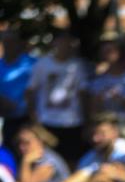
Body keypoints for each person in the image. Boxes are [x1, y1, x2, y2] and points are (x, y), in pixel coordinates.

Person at [25, 29, 88, 166]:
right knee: (47, 160)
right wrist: (34, 117)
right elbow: (30, 91)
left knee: (72, 160)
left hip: (73, 122)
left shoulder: (78, 66)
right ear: (54, 43)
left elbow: (83, 94)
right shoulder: (42, 64)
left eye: (68, 42)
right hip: (47, 121)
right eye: (61, 42)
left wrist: (86, 119)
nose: (64, 45)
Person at [84, 36, 125, 125]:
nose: (108, 54)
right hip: (104, 124)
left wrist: (119, 97)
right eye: (105, 52)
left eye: (112, 51)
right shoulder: (96, 79)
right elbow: (93, 109)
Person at [0, 28, 36, 147]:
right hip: (8, 119)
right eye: (6, 41)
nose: (8, 45)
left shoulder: (32, 63)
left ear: (19, 43)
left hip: (30, 118)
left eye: (12, 41)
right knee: (9, 150)